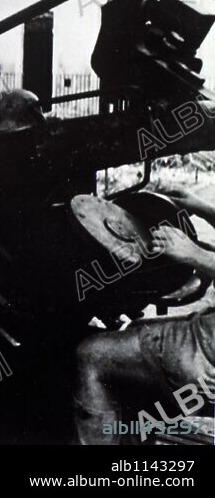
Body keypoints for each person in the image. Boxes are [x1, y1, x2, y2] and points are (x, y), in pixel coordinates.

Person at [73, 186, 215, 445]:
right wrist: (203, 208)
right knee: (135, 328)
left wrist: (195, 255)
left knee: (91, 353)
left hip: (209, 356)